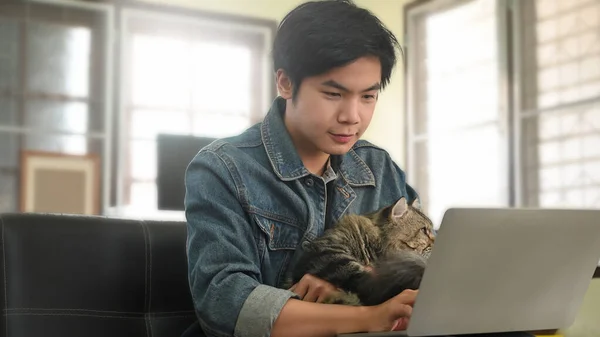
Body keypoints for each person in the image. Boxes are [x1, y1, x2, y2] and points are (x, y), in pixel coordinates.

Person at [182, 1, 534, 337]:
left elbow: (424, 273)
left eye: (368, 96)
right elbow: (224, 304)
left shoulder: (378, 166)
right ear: (286, 82)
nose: (353, 117)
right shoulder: (223, 169)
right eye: (334, 94)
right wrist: (363, 315)